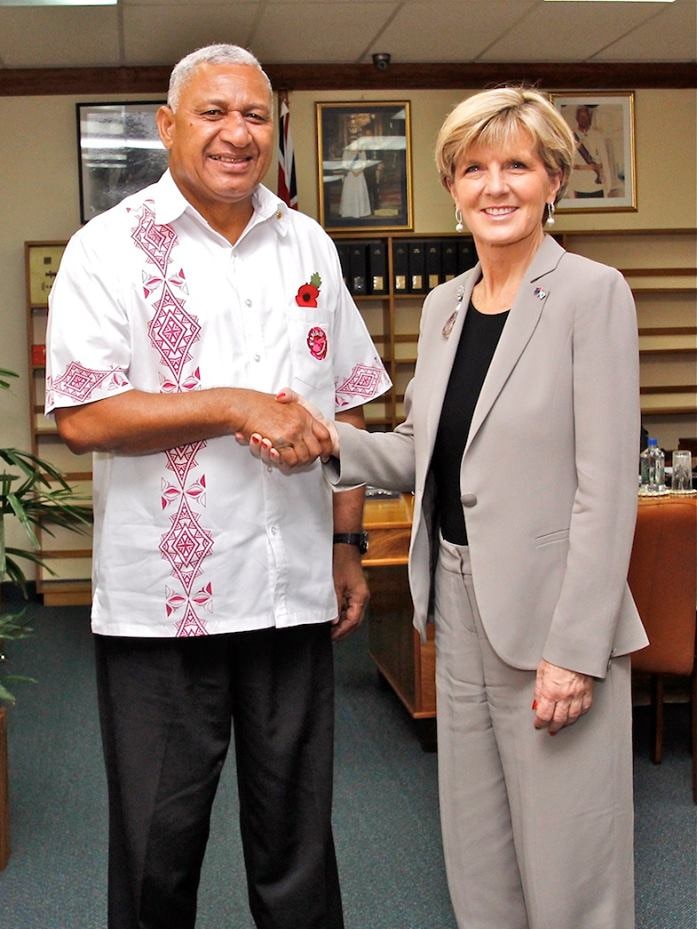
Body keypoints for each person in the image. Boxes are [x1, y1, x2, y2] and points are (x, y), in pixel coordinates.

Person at [255, 87, 649, 929]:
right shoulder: (442, 308)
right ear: (452, 184)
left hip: (550, 620)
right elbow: (424, 453)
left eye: (517, 165)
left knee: (571, 871)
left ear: (553, 180)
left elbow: (605, 489)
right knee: (479, 863)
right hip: (457, 608)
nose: (495, 185)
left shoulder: (591, 293)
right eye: (475, 168)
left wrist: (574, 651)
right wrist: (325, 437)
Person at [45, 43, 390, 929]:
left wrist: (346, 544)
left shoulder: (306, 241)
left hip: (290, 597)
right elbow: (81, 415)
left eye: (255, 116)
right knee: (159, 853)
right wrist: (236, 405)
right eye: (213, 113)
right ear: (167, 127)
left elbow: (347, 402)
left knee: (298, 852)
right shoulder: (106, 248)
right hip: (166, 609)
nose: (237, 134)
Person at [568, 104, 615, 198]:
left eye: (586, 116)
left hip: (596, 185)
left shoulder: (597, 136)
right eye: (581, 116)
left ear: (589, 118)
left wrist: (608, 184)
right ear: (577, 118)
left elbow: (605, 161)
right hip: (579, 185)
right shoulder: (570, 136)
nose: (583, 119)